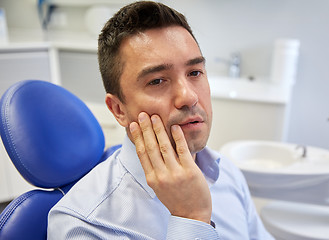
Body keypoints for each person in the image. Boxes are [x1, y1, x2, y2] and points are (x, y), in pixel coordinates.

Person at [47, 1, 274, 239]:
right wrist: (191, 217)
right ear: (118, 109)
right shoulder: (84, 224)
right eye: (157, 81)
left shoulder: (227, 173)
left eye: (194, 73)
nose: (189, 96)